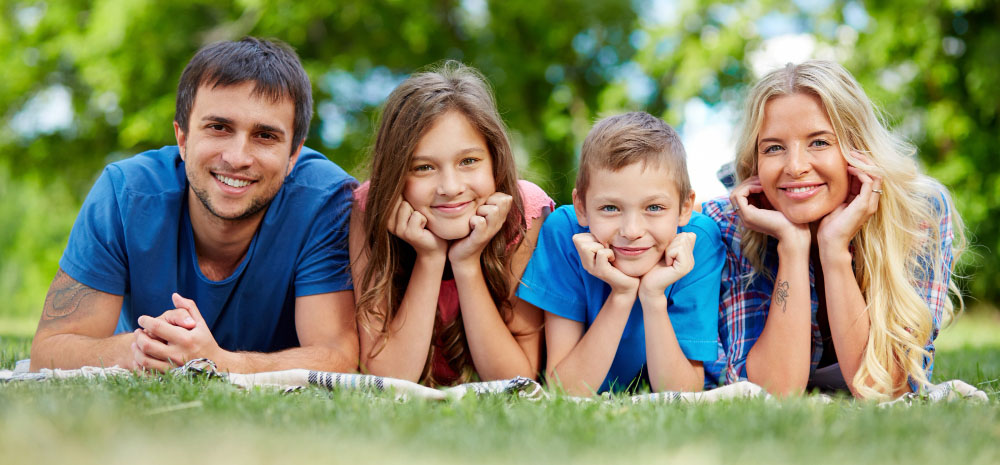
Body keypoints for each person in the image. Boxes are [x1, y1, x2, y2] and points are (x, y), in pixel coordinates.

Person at [29, 37, 359, 373]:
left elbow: (339, 356)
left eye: (265, 136)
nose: (237, 157)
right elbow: (50, 350)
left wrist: (218, 362)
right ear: (183, 138)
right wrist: (143, 350)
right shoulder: (125, 194)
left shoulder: (326, 202)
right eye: (218, 127)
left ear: (294, 155)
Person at [703, 60, 965, 400]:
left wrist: (834, 248)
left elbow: (886, 390)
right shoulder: (730, 223)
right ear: (756, 161)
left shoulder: (917, 212)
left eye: (819, 142)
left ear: (857, 149)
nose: (796, 167)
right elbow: (773, 392)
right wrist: (792, 247)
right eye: (773, 148)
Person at [350, 62, 554, 386]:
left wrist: (467, 262)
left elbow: (515, 380)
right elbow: (389, 379)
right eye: (423, 168)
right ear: (396, 175)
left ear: (495, 161)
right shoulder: (370, 208)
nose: (450, 186)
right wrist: (429, 259)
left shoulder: (524, 213)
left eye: (468, 161)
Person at [517, 112, 724, 396]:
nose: (632, 230)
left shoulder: (697, 243)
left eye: (654, 208)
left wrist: (652, 297)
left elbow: (682, 393)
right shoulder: (565, 234)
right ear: (581, 206)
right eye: (610, 208)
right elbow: (565, 391)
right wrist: (622, 294)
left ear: (685, 207)